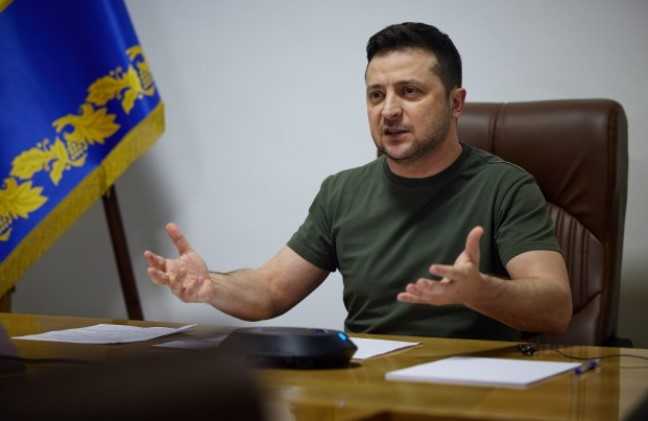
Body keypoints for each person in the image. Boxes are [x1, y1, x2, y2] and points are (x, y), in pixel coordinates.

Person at [145, 22, 572, 340]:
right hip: (366, 386)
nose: (389, 110)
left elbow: (555, 308)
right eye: (376, 95)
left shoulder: (505, 187)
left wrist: (478, 291)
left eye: (410, 91)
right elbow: (270, 290)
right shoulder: (342, 191)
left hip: (472, 390)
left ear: (456, 103)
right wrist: (211, 286)